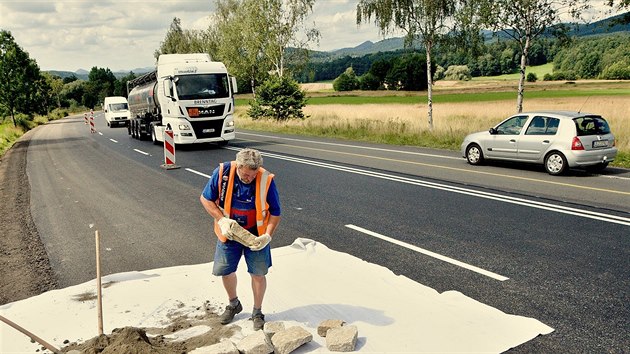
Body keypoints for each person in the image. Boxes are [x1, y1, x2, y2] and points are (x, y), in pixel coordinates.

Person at [199, 148, 281, 330]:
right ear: (239, 166)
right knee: (225, 270)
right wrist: (221, 220)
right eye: (245, 175)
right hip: (229, 233)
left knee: (258, 274)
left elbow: (276, 212)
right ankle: (234, 304)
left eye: (252, 176)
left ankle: (257, 312)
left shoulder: (266, 179)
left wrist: (267, 235)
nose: (249, 179)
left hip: (256, 235)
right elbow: (205, 199)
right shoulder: (223, 173)